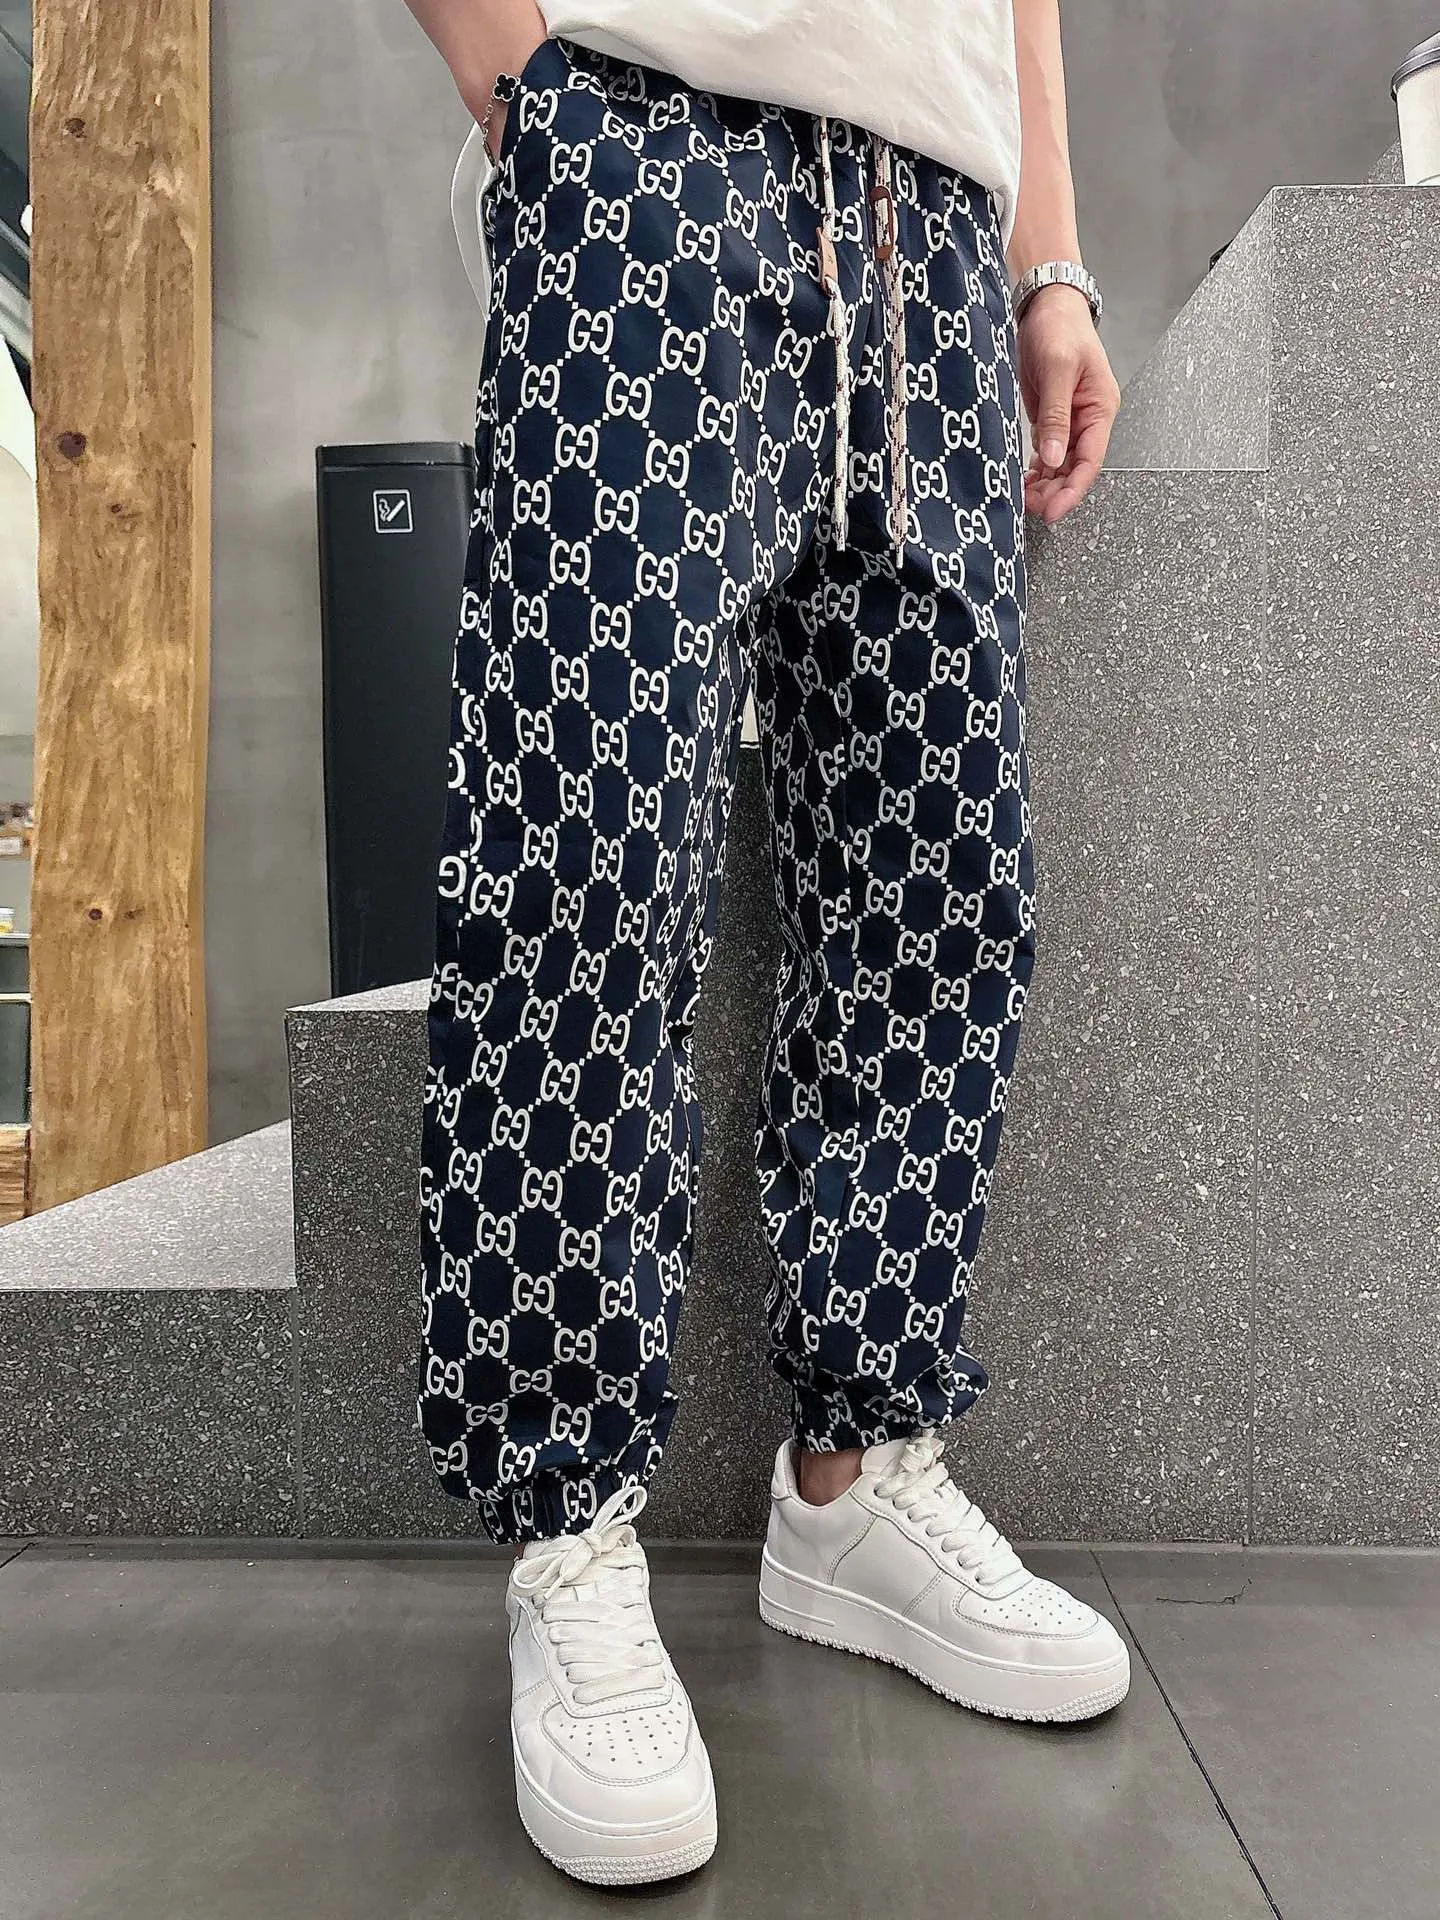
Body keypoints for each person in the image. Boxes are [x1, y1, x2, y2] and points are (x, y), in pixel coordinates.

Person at [406, 0, 1126, 1886]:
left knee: (939, 881)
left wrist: (1048, 256)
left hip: (939, 228)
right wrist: (528, 93)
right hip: (647, 146)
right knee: (587, 866)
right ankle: (569, 1529)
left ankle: (855, 1480)